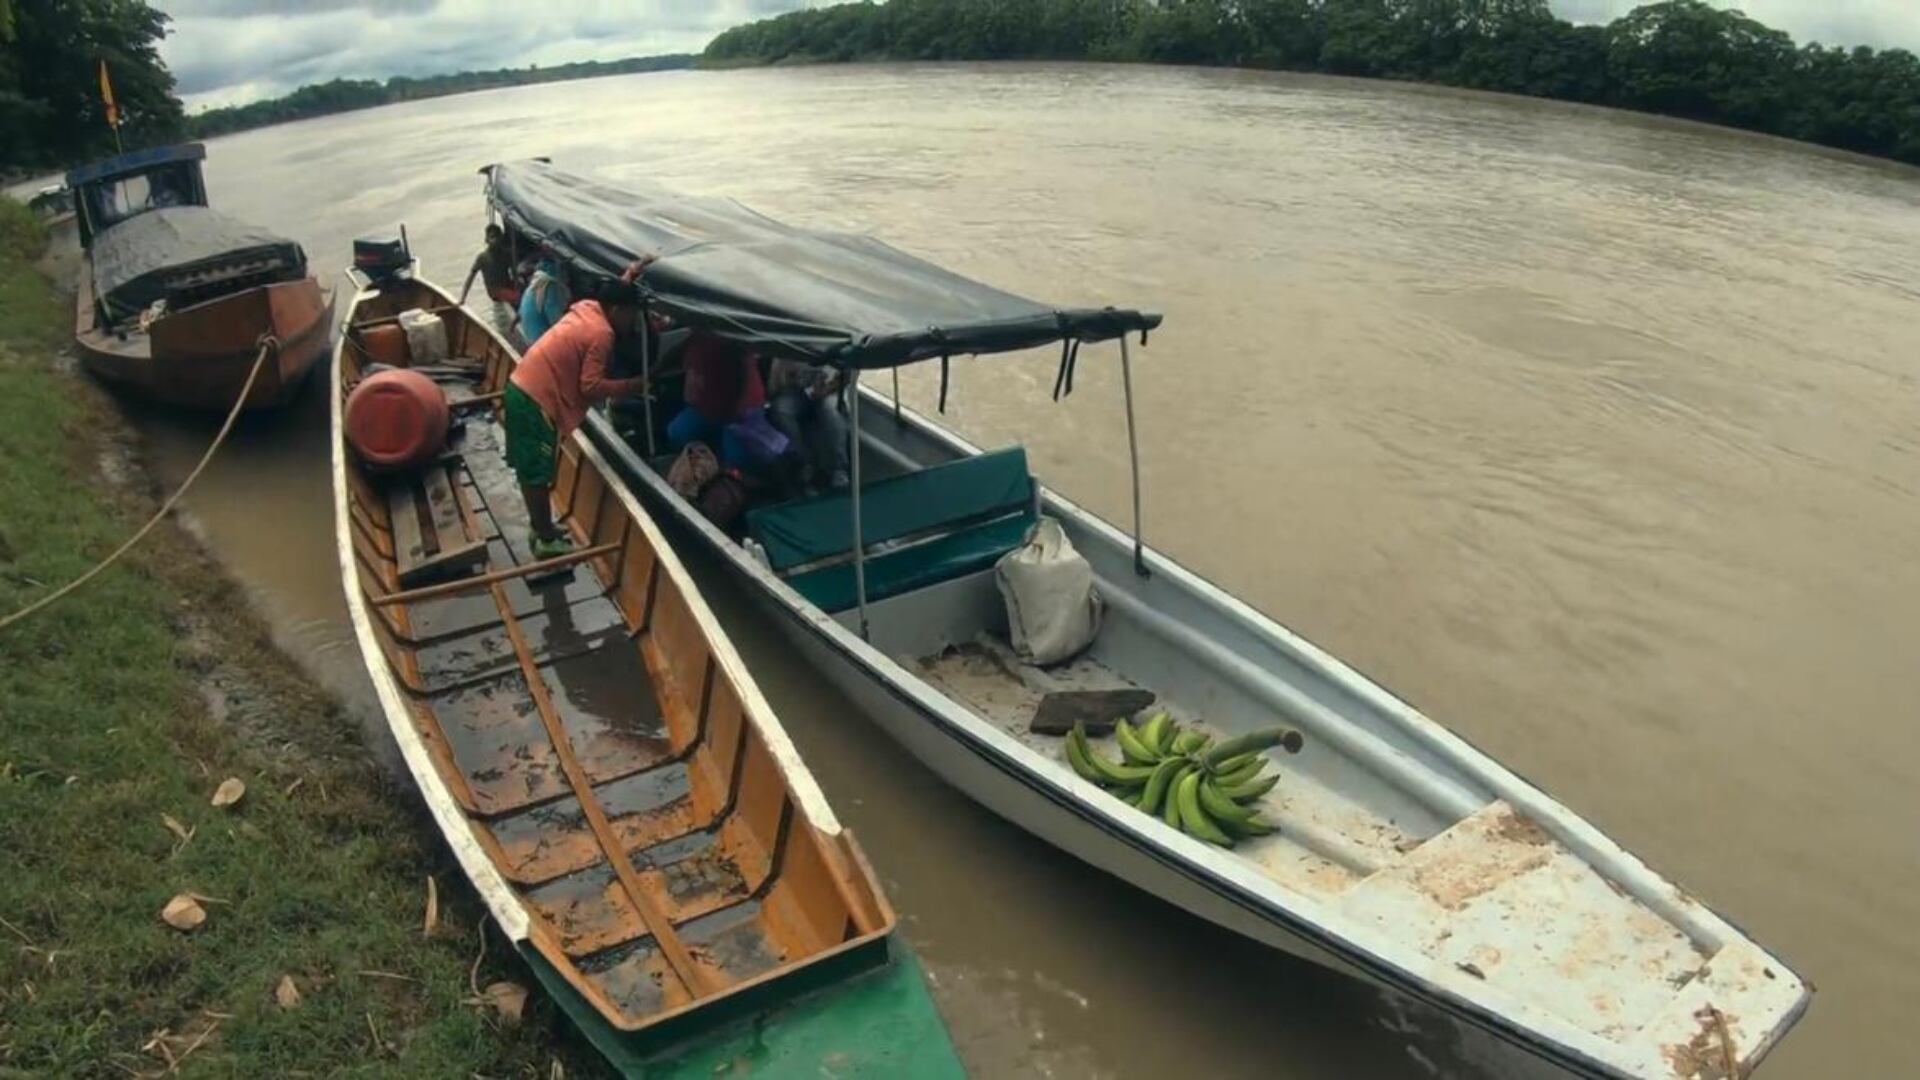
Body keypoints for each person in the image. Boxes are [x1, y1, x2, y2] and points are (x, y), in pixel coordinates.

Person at [505, 278, 648, 558]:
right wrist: (632, 385)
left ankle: (541, 527)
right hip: (536, 399)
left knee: (532, 468)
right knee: (536, 472)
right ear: (618, 310)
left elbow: (614, 290)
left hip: (522, 386)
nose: (634, 323)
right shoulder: (602, 333)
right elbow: (591, 387)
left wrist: (632, 273)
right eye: (632, 315)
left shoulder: (587, 308)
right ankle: (545, 539)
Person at [665, 333, 768, 467]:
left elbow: (744, 373)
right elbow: (676, 354)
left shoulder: (733, 340)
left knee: (736, 459)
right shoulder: (697, 338)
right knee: (677, 433)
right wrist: (647, 376)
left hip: (741, 410)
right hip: (708, 407)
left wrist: (739, 410)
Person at [766, 358, 849, 490]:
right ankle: (804, 464)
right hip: (797, 392)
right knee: (781, 410)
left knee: (831, 411)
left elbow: (848, 374)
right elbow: (776, 383)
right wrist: (788, 379)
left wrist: (826, 389)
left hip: (831, 390)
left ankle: (839, 469)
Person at [458, 224, 520, 309]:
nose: (495, 240)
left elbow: (514, 272)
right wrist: (462, 298)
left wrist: (518, 285)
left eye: (497, 237)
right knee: (517, 297)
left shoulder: (506, 254)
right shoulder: (482, 257)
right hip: (495, 292)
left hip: (507, 286)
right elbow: (470, 278)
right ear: (487, 240)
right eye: (492, 237)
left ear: (501, 238)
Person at [518, 253, 571, 345]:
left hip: (529, 336)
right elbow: (557, 322)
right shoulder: (551, 285)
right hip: (540, 341)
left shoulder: (538, 279)